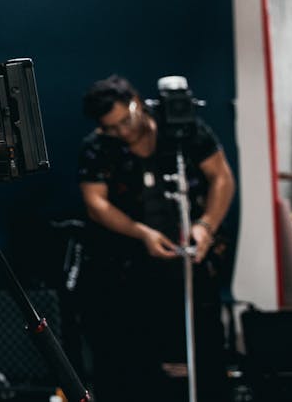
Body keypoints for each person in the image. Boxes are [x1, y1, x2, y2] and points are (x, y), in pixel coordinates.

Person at [76, 74, 235, 402]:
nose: (123, 132)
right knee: (136, 361)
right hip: (129, 269)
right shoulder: (97, 147)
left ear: (136, 102)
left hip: (193, 262)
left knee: (203, 349)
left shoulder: (183, 130)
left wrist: (206, 225)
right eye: (112, 128)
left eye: (125, 121)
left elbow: (221, 177)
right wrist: (141, 232)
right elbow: (95, 203)